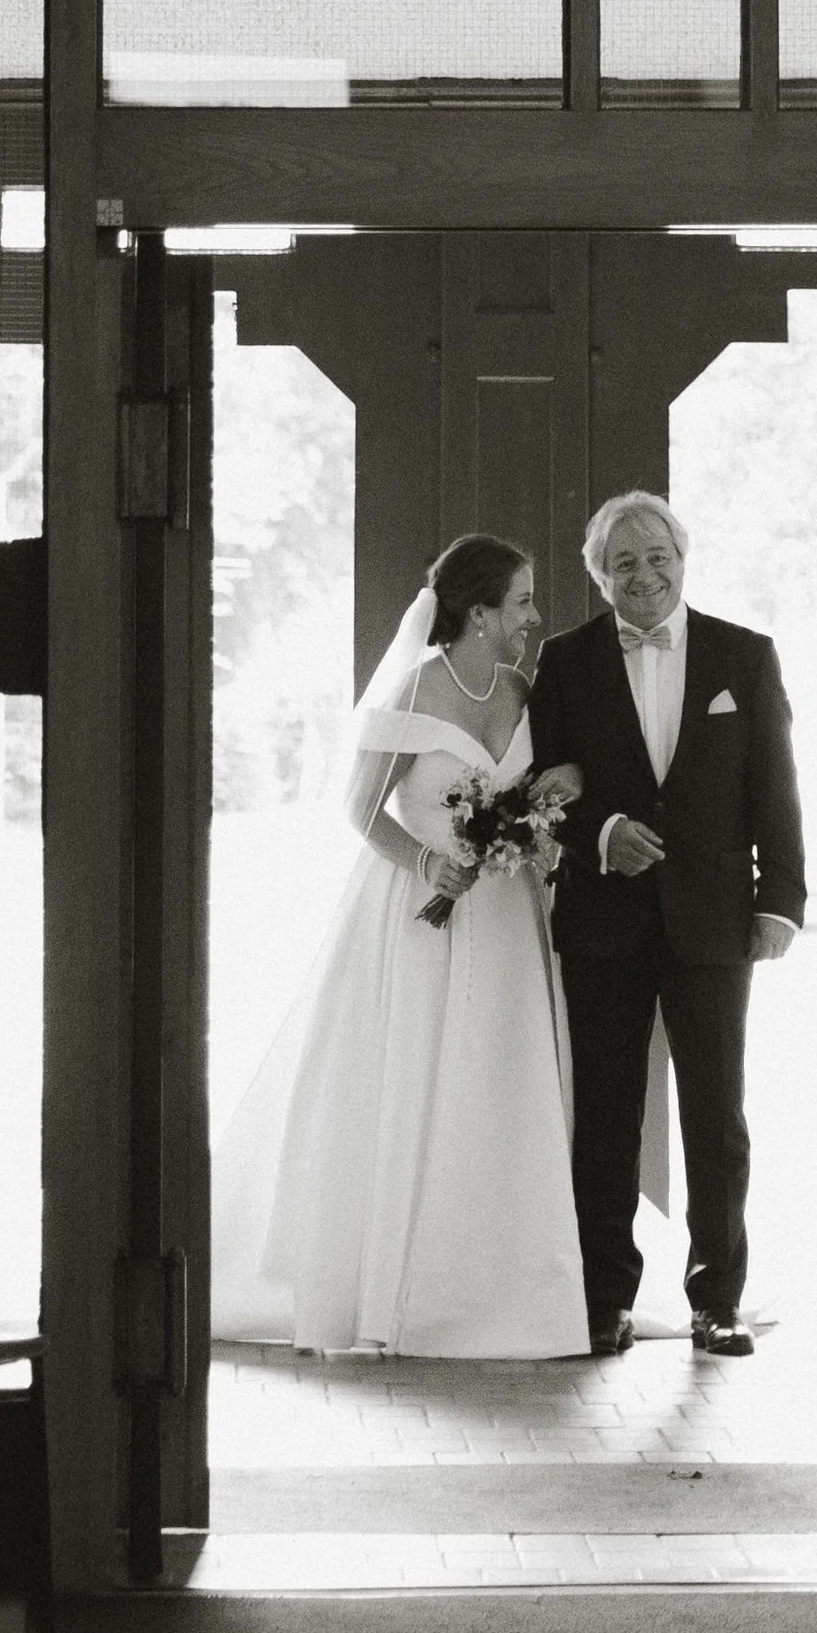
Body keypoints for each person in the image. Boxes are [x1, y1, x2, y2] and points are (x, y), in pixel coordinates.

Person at [212, 530, 590, 1358]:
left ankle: (513, 1289)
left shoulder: (524, 690)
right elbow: (359, 811)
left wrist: (540, 820)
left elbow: (537, 787)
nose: (534, 616)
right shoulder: (416, 690)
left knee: (503, 1082)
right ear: (481, 612)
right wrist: (429, 861)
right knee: (418, 1080)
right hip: (420, 911)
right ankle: (404, 1291)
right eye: (522, 601)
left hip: (506, 919)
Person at [528, 490, 805, 1360]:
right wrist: (601, 833)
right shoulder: (566, 662)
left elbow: (775, 786)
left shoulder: (744, 656)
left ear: (683, 560)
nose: (643, 575)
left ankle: (716, 1301)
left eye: (657, 557)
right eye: (624, 563)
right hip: (603, 920)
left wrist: (780, 901)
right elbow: (536, 786)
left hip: (715, 921)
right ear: (599, 576)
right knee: (606, 1117)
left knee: (716, 1118)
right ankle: (603, 1299)